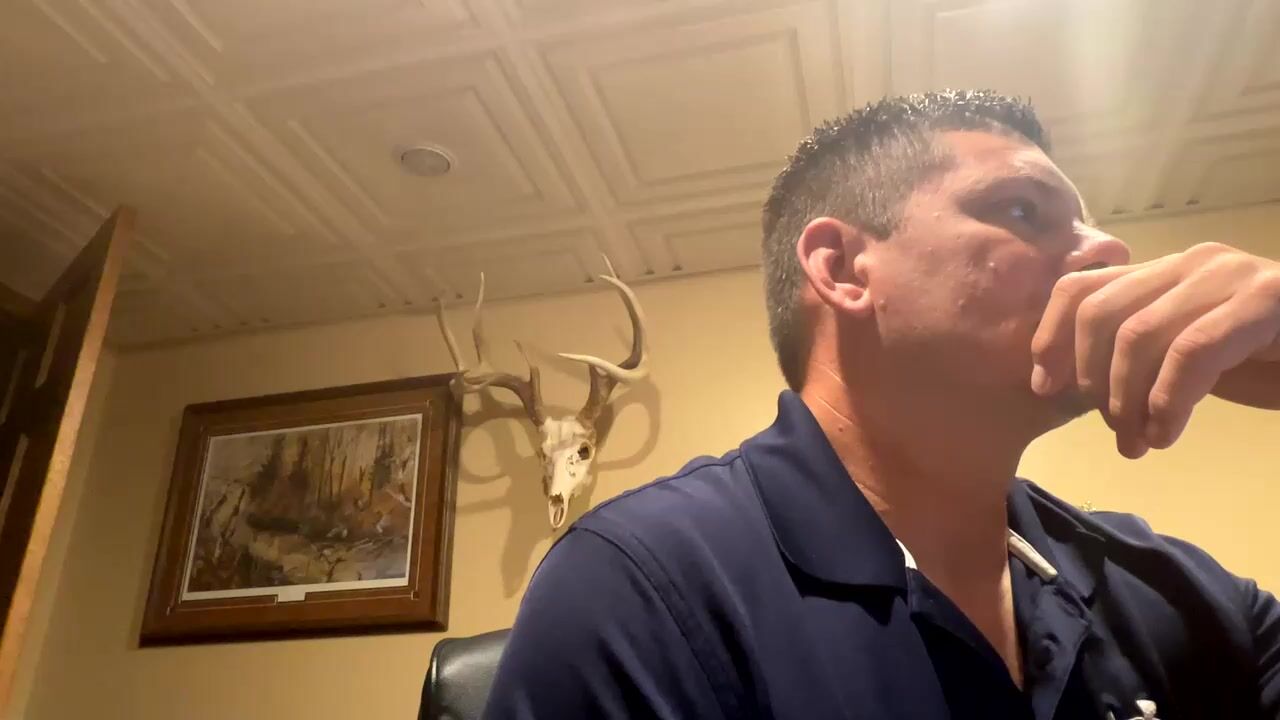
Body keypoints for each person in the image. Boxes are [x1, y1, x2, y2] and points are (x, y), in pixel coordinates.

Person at [482, 90, 1280, 719]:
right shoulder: (640, 588)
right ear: (841, 267)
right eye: (1021, 210)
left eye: (1087, 225)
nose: (1108, 250)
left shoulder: (1182, 598)